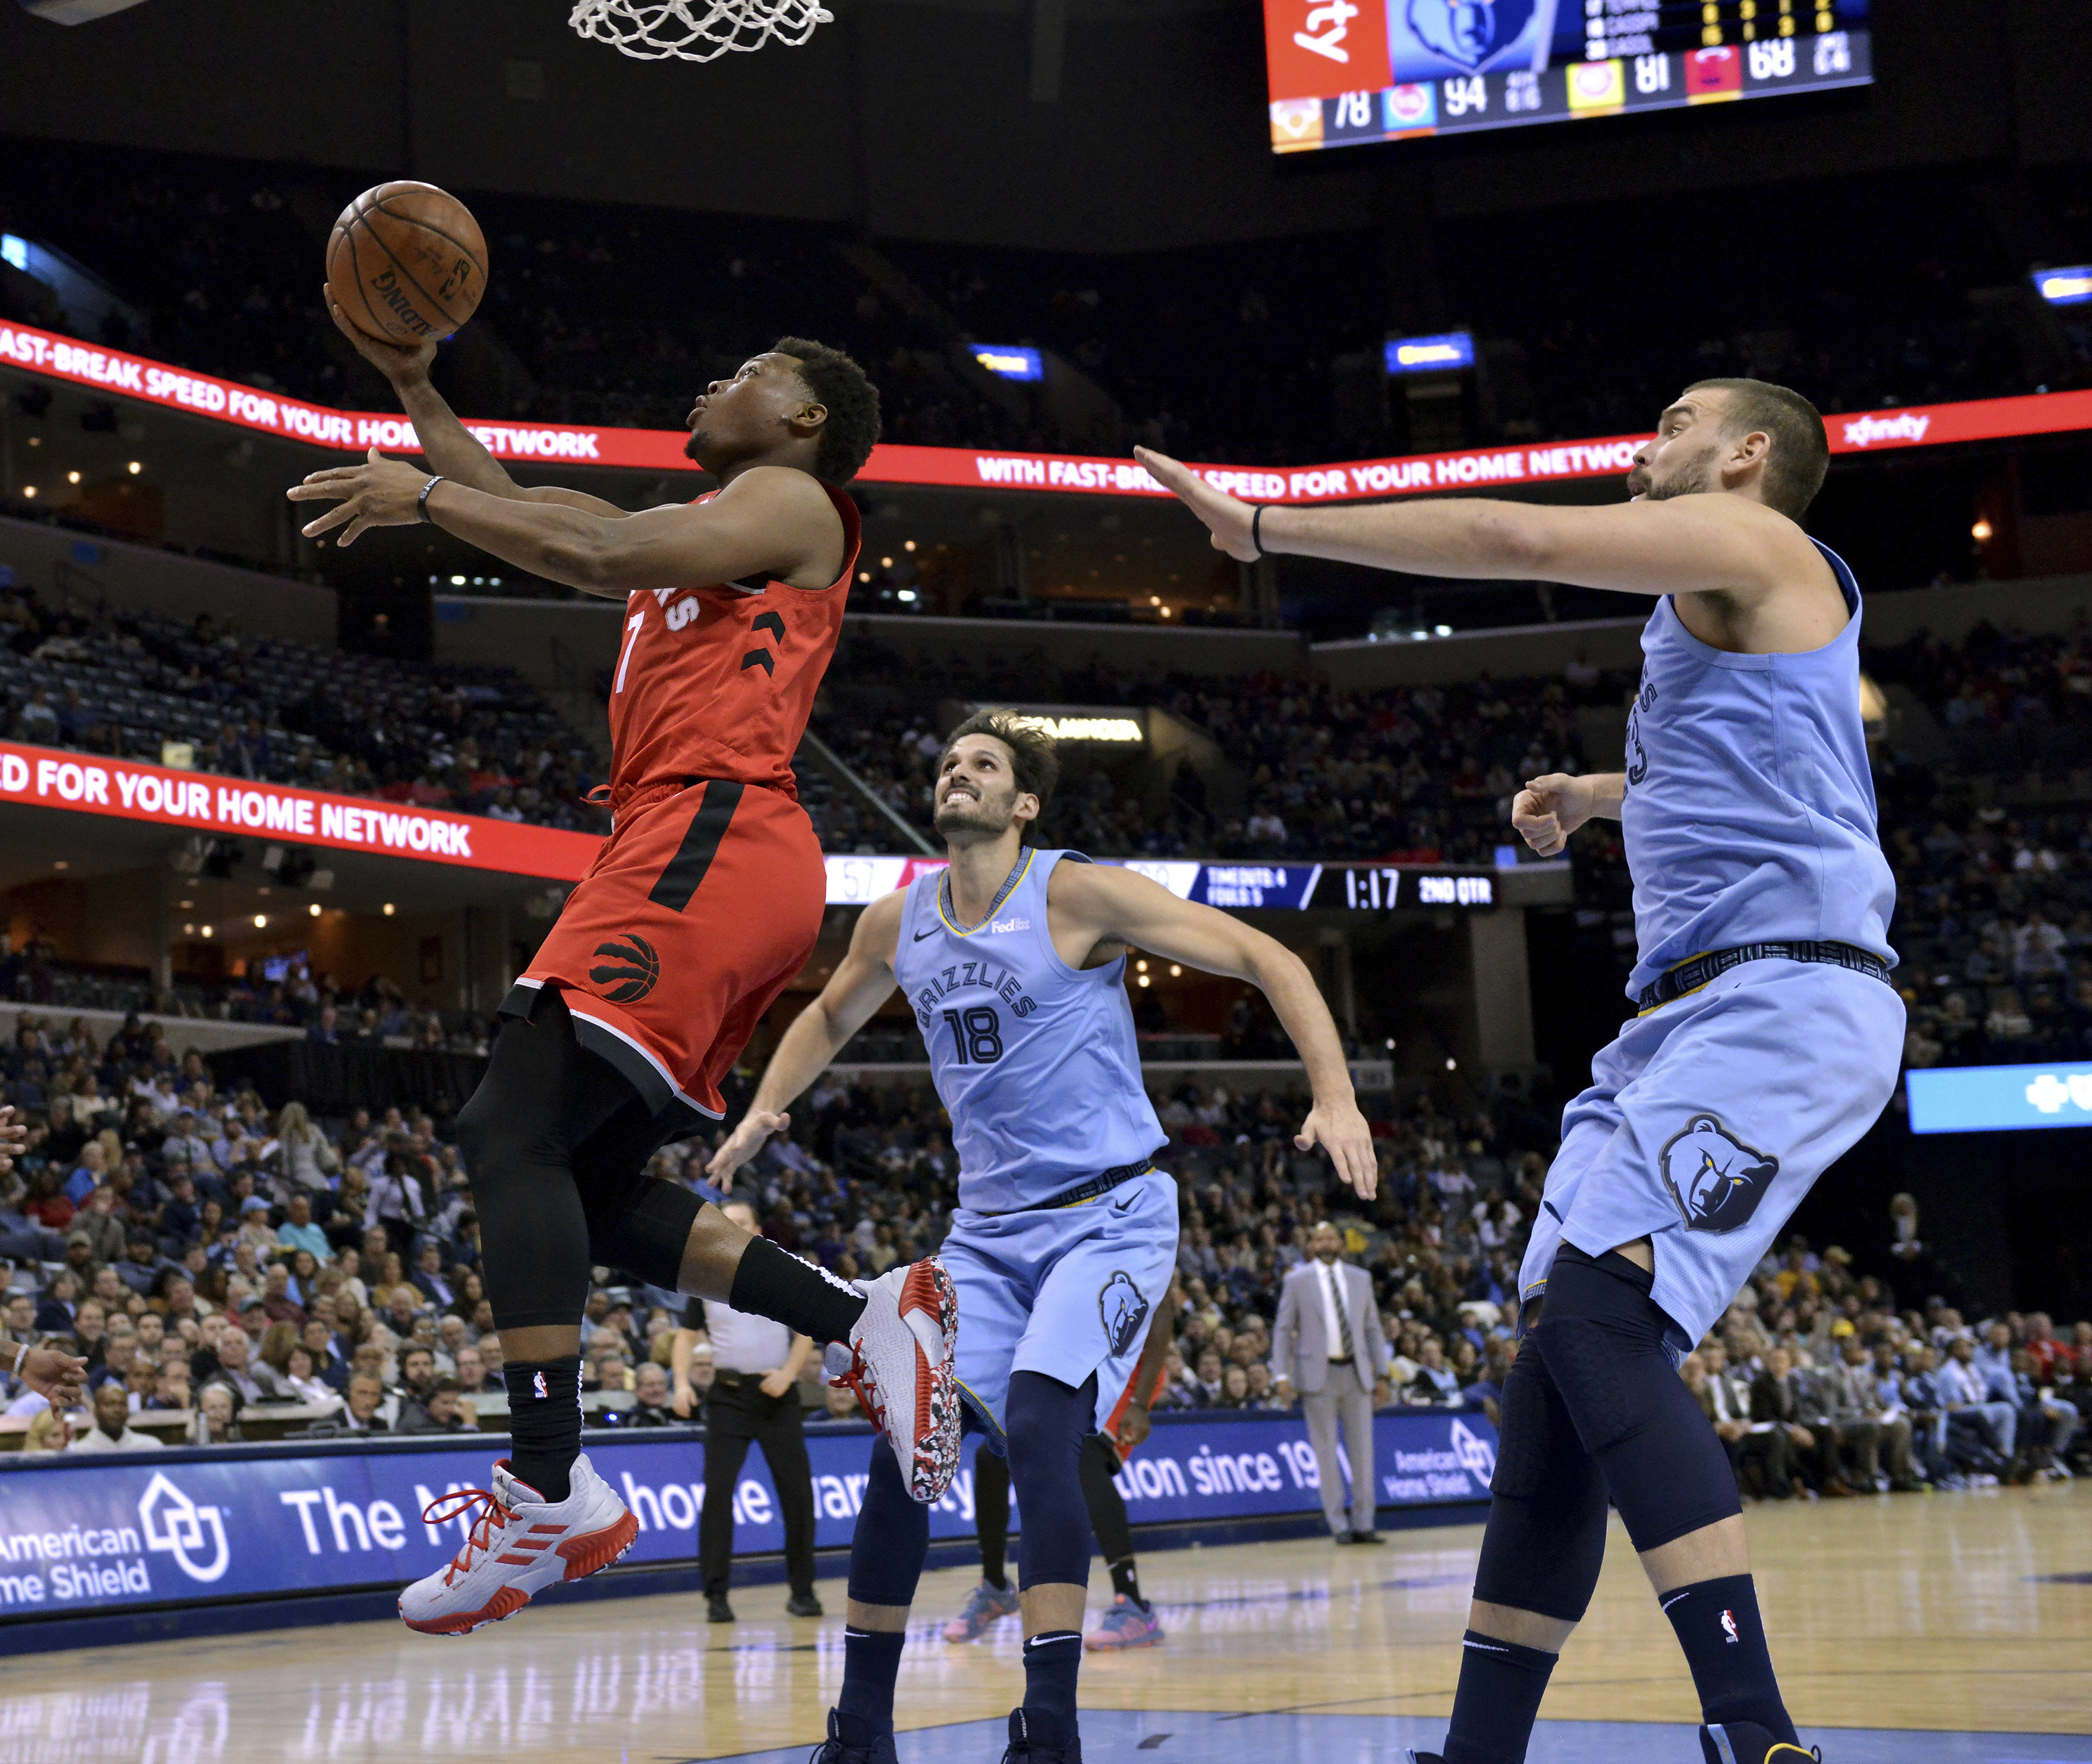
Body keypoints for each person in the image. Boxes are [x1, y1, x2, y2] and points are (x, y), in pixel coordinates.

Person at [1142, 377, 1903, 1764]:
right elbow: (1780, 777)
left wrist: (1267, 522)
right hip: (1683, 1016)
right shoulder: (1732, 612)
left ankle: (1758, 1732)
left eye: (1677, 416)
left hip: (1785, 997)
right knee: (1556, 1357)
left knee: (1604, 1323)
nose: (1642, 436)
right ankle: (1480, 1750)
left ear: (1746, 454)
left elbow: (1515, 542)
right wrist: (1600, 795)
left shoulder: (1758, 544)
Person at [292, 309, 957, 1641]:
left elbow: (583, 548)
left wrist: (414, 495)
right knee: (585, 1187)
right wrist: (423, 397)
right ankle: (865, 1316)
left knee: (504, 1126)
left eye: (747, 369)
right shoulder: (715, 532)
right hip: (685, 847)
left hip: (712, 834)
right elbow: (524, 505)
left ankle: (548, 1486)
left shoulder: (791, 499)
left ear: (809, 418)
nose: (715, 375)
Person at [707, 711, 1373, 1764]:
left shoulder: (1074, 893)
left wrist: (1333, 1096)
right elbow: (830, 1015)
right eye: (947, 761)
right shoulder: (899, 923)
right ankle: (861, 1732)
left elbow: (1265, 955)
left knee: (1036, 1420)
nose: (957, 772)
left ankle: (1051, 1727)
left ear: (1023, 805)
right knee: (900, 1437)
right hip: (987, 1235)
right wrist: (765, 1107)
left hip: (1110, 1213)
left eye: (982, 764)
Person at [945, 1278, 1180, 1652]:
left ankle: (1134, 1604)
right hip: (1072, 1360)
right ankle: (995, 1588)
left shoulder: (1132, 1226)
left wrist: (1138, 1402)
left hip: (1125, 1369)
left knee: (1087, 1456)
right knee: (993, 1455)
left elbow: (1162, 1307)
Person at [675, 1198, 820, 1623]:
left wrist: (790, 1373)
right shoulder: (702, 1278)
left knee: (798, 1496)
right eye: (726, 1222)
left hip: (777, 1397)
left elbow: (809, 1326)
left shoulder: (783, 1271)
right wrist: (682, 1384)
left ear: (757, 1229)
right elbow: (685, 1337)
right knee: (718, 1496)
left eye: (740, 1222)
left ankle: (803, 1592)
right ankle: (716, 1596)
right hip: (728, 1396)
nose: (732, 1227)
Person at [1273, 1222, 1392, 1544]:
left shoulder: (1361, 1279)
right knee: (1325, 1454)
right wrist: (1282, 1376)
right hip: (1317, 1376)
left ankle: (1364, 1524)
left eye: (1331, 1237)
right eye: (1318, 1238)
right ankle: (1339, 1525)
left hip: (1357, 1374)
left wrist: (1383, 1374)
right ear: (1310, 1245)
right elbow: (1283, 1330)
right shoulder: (1296, 1281)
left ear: (1340, 1243)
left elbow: (1372, 1329)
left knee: (1363, 1454)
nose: (1325, 1242)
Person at [68, 1380, 162, 1453]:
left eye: (123, 1404)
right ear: (96, 1411)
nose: (117, 1410)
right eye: (109, 1404)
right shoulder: (79, 1451)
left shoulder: (151, 1447)